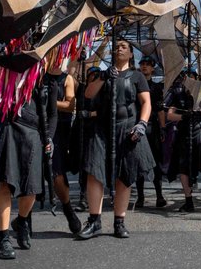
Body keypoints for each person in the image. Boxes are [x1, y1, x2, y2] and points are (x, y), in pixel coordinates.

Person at [76, 38, 154, 240]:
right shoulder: (104, 75)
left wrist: (142, 124)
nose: (119, 49)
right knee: (95, 172)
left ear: (130, 54)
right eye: (116, 46)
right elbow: (88, 94)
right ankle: (94, 221)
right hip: (102, 129)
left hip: (128, 129)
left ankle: (119, 221)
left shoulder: (137, 76)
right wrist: (103, 77)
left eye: (124, 47)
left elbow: (146, 102)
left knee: (124, 176)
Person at [0, 68, 56, 260]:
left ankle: (22, 220)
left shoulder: (48, 80)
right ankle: (4, 239)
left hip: (34, 134)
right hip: (9, 128)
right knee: (5, 184)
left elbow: (52, 113)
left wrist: (49, 138)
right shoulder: (9, 72)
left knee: (31, 189)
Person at [165, 69, 201, 212]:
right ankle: (188, 202)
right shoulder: (177, 94)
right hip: (184, 134)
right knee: (184, 169)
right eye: (188, 77)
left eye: (193, 77)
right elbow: (170, 115)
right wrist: (183, 117)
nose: (191, 80)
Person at [38, 56, 82, 233]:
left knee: (56, 173)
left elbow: (70, 105)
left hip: (58, 131)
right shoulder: (38, 77)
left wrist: (49, 103)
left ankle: (67, 208)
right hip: (37, 127)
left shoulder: (67, 79)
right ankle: (24, 219)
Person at [134, 55, 166, 209]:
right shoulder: (134, 84)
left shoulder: (157, 87)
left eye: (148, 64)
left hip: (153, 128)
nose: (144, 66)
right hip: (137, 126)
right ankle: (140, 197)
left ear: (153, 68)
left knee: (156, 164)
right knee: (139, 162)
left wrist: (163, 128)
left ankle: (159, 195)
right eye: (142, 64)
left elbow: (160, 109)